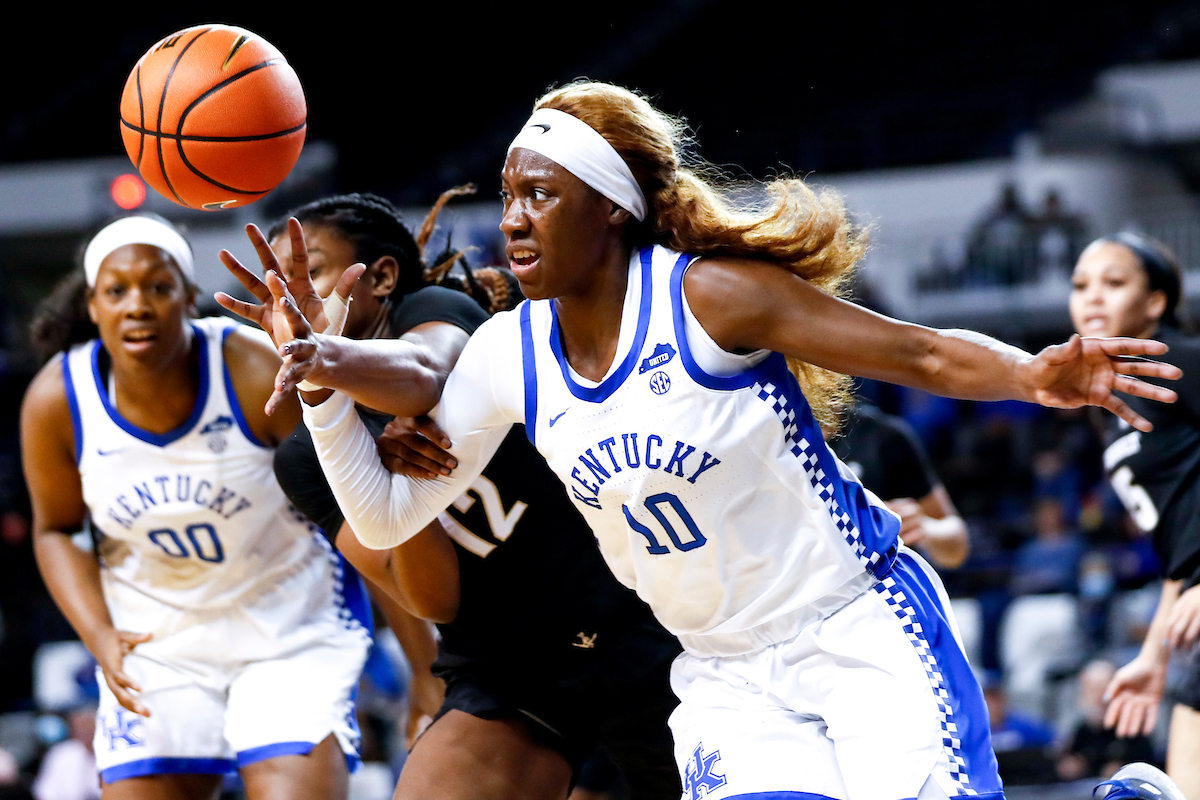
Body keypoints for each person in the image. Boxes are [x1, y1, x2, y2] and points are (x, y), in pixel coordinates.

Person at [229, 81, 1182, 800]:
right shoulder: (508, 353)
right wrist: (319, 381)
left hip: (854, 622)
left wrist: (1029, 375)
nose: (513, 215)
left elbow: (920, 355)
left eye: (542, 194)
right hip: (723, 669)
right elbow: (387, 514)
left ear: (609, 207)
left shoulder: (705, 298)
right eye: (511, 194)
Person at [217, 190, 682, 800]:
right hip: (510, 666)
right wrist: (393, 485)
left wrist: (329, 359)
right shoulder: (304, 460)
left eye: (311, 272)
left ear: (382, 276)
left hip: (635, 611)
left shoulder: (436, 310)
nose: (291, 300)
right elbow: (433, 597)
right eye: (275, 288)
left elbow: (427, 373)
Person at [19, 215, 372, 800]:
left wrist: (423, 665)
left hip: (288, 627)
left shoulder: (253, 366)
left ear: (189, 297)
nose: (138, 305)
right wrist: (100, 635)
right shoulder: (58, 399)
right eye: (117, 291)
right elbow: (55, 530)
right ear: (93, 305)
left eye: (158, 287)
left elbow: (353, 502)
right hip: (157, 644)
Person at [1065, 231, 1200, 800]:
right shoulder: (1112, 402)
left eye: (1114, 283)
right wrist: (1153, 656)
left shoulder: (1178, 362)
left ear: (1155, 304)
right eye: (1080, 285)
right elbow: (1181, 546)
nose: (1092, 297)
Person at [831, 401, 969, 569]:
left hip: (879, 584)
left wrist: (923, 526)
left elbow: (958, 545)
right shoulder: (791, 446)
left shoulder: (882, 435)